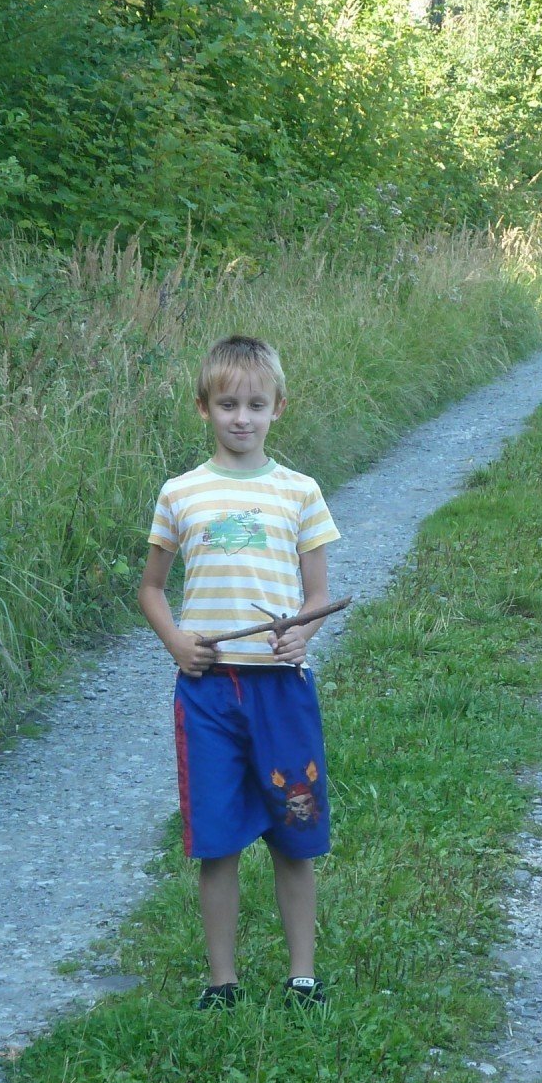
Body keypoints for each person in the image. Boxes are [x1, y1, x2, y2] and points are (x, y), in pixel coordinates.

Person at [138, 335, 339, 1010]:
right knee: (217, 843)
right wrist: (176, 643)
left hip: (280, 691)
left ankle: (302, 976)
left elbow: (316, 596)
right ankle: (222, 983)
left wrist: (301, 634)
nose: (242, 418)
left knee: (295, 831)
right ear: (204, 408)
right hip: (209, 694)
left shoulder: (300, 493)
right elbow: (152, 589)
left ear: (279, 408)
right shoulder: (181, 494)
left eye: (256, 404)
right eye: (228, 404)